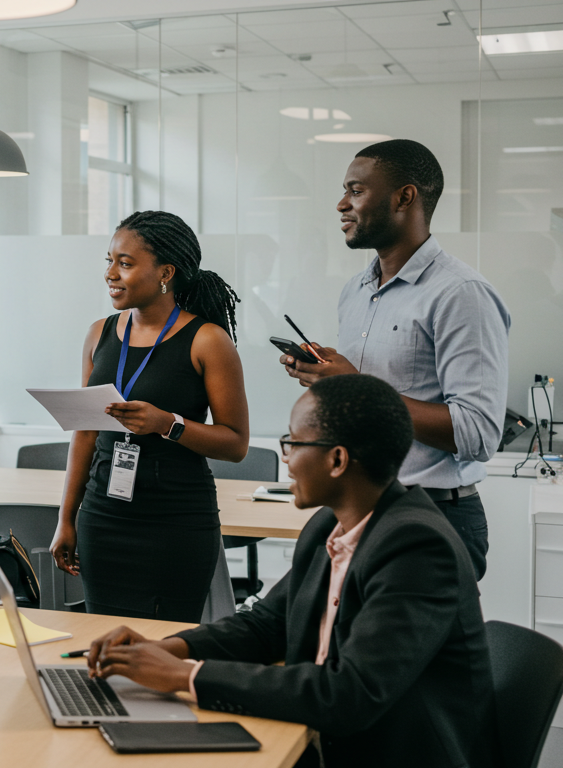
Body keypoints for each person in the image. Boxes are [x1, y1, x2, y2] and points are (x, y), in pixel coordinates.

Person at [85, 374, 494, 768]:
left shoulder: (416, 547)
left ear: (337, 459)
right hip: (327, 743)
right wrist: (173, 648)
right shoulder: (327, 526)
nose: (285, 458)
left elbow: (349, 694)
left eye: (292, 443)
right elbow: (266, 625)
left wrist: (185, 675)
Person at [280, 139, 510, 581]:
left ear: (405, 197)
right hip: (358, 510)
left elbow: (477, 433)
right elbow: (367, 404)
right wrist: (330, 380)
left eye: (356, 190)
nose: (341, 204)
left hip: (432, 514)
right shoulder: (356, 289)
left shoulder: (461, 294)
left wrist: (361, 387)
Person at [48, 210, 249, 623]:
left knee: (166, 647)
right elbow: (86, 435)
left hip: (176, 523)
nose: (111, 274)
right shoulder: (99, 333)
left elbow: (236, 443)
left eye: (125, 263)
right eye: (109, 261)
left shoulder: (208, 340)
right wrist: (66, 518)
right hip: (103, 518)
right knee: (102, 636)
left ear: (165, 272)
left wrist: (167, 424)